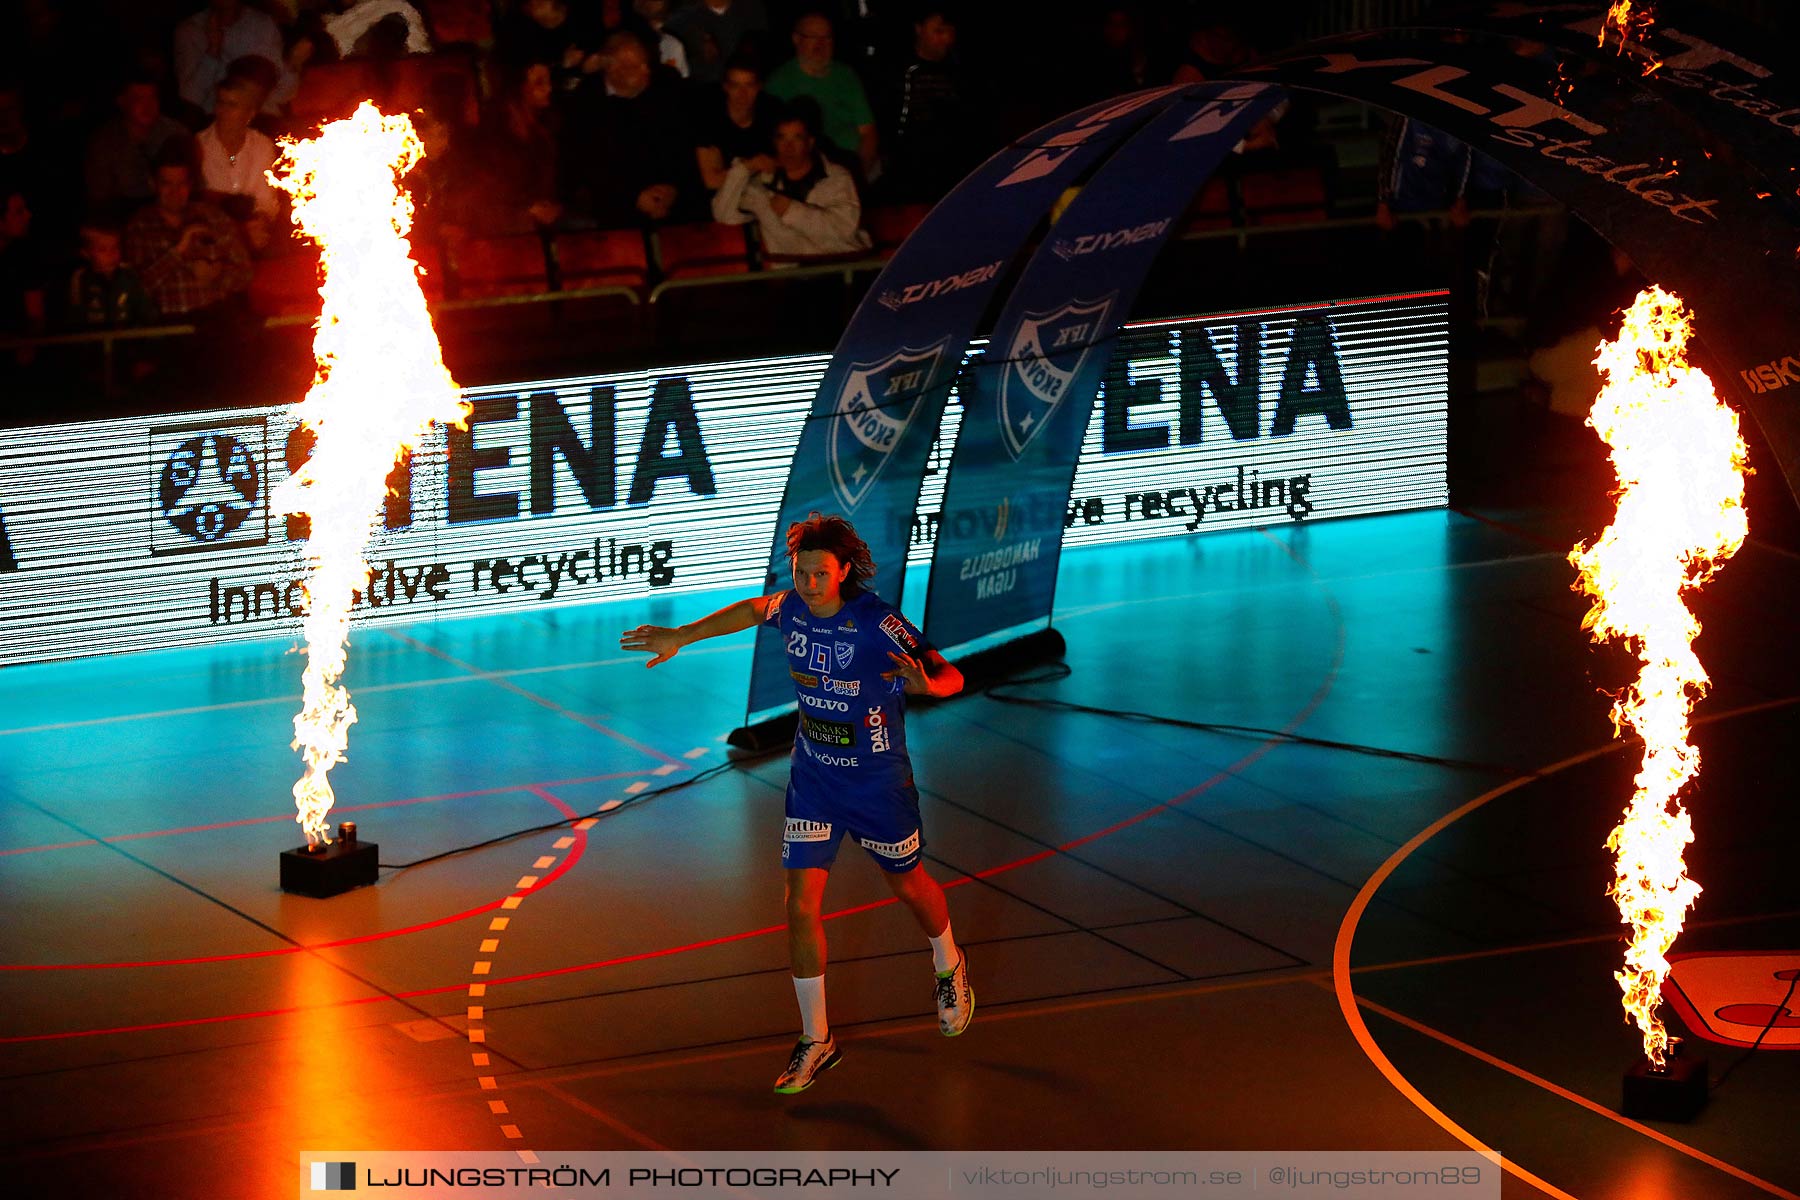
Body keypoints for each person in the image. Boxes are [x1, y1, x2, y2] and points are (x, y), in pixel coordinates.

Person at [620, 513, 972, 1094]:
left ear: (842, 573)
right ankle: (818, 1039)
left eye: (819, 574)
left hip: (876, 782)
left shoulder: (876, 621)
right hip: (813, 778)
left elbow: (947, 673)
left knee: (909, 885)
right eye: (801, 573)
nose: (808, 584)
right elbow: (751, 611)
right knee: (800, 904)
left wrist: (928, 687)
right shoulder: (792, 608)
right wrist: (682, 634)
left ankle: (949, 963)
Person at [711, 102, 871, 259]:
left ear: (810, 142)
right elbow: (724, 215)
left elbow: (843, 230)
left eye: (797, 138)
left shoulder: (836, 178)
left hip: (842, 269)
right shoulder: (761, 184)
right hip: (789, 276)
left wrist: (792, 211)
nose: (788, 147)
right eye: (782, 138)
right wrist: (744, 168)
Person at [123, 148, 253, 318]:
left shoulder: (214, 218)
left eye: (181, 184)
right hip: (164, 327)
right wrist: (178, 251)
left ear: (190, 185)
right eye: (167, 184)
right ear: (153, 184)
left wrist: (218, 277)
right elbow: (133, 290)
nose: (175, 192)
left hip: (214, 321)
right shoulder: (140, 227)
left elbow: (246, 273)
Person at [766, 11, 877, 181]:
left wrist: (859, 173)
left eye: (827, 38)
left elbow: (868, 132)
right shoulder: (779, 82)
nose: (821, 44)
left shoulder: (846, 75)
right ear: (796, 39)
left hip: (852, 164)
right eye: (813, 37)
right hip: (807, 170)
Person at [84, 74, 193, 220]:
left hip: (173, 212)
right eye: (138, 99)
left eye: (152, 98)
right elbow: (99, 196)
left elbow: (192, 183)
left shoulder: (177, 133)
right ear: (122, 101)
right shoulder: (105, 143)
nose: (148, 106)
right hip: (123, 217)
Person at [195, 75, 279, 251]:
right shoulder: (198, 145)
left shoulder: (263, 146)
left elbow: (266, 200)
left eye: (232, 105)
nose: (223, 111)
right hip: (213, 235)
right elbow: (198, 202)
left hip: (254, 230)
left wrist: (258, 221)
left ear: (250, 113)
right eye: (220, 103)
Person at [172, 0, 299, 117]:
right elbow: (191, 99)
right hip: (215, 124)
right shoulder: (191, 31)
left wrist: (293, 63)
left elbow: (283, 93)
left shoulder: (263, 25)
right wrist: (213, 52)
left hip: (263, 120)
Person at [692, 53, 781, 193]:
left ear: (759, 87)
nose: (742, 94)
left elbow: (792, 161)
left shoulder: (772, 112)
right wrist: (751, 165)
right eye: (735, 86)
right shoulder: (708, 117)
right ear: (726, 87)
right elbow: (711, 181)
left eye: (749, 85)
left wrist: (730, 172)